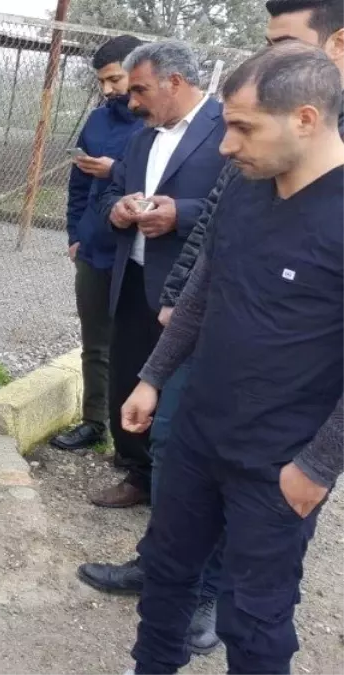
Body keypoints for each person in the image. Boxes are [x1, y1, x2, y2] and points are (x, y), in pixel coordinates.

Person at [79, 0, 344, 656]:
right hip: (197, 433)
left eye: (242, 129)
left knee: (254, 621)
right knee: (166, 579)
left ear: (304, 120)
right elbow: (199, 293)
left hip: (275, 461)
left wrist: (314, 465)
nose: (225, 146)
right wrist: (151, 377)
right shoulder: (245, 187)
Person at [91, 40, 228, 509]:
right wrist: (121, 210)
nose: (132, 103)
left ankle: (177, 483)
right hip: (133, 275)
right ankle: (138, 473)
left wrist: (181, 214)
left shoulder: (229, 129)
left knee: (179, 387)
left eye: (141, 90)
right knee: (129, 375)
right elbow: (109, 195)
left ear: (175, 81)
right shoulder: (141, 136)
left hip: (190, 290)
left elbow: (236, 206)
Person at [51, 35, 147, 453]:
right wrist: (75, 235)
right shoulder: (98, 121)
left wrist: (116, 170)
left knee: (139, 345)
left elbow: (166, 187)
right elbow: (77, 185)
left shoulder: (158, 123)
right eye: (102, 82)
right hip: (94, 250)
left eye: (114, 79)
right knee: (96, 343)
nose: (108, 90)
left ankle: (139, 436)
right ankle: (95, 422)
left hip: (141, 252)